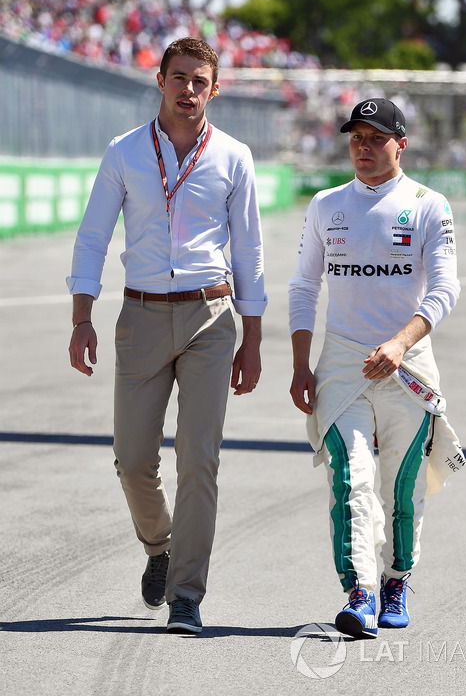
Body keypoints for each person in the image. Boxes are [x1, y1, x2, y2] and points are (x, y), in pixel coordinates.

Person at [67, 37, 267, 634]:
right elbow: (92, 237)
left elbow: (251, 251)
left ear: (214, 87)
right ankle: (159, 546)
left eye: (199, 80)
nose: (188, 90)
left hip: (211, 317)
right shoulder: (125, 152)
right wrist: (82, 317)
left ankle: (186, 594)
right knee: (132, 460)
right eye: (178, 77)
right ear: (160, 81)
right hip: (142, 314)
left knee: (198, 461)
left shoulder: (234, 156)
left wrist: (252, 340)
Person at [289, 98, 464, 639]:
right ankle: (360, 592)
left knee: (401, 488)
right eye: (356, 137)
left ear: (400, 144)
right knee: (352, 479)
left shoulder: (429, 205)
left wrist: (399, 342)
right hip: (342, 363)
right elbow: (303, 287)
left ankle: (395, 580)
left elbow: (445, 289)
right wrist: (300, 364)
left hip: (407, 364)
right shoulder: (325, 205)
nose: (363, 147)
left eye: (375, 138)